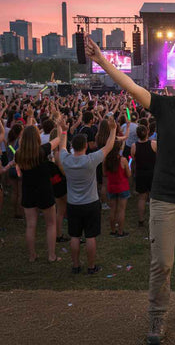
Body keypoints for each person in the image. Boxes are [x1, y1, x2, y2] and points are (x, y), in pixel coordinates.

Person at [85, 38, 175, 345]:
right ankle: (157, 318)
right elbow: (130, 86)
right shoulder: (163, 105)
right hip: (165, 197)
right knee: (163, 262)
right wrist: (104, 62)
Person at [59, 116, 116, 275]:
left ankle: (75, 266)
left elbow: (62, 147)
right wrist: (113, 129)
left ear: (73, 146)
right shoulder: (91, 159)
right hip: (90, 202)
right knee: (90, 236)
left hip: (73, 204)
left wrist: (63, 130)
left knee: (75, 236)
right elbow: (109, 146)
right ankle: (91, 267)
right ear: (85, 146)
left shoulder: (66, 159)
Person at [15, 119, 61, 263]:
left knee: (31, 225)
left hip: (28, 190)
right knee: (50, 224)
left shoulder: (18, 154)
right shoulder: (42, 150)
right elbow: (58, 139)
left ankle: (32, 255)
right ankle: (51, 255)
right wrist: (61, 126)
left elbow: (20, 173)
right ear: (37, 137)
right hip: (44, 190)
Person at [104, 140, 131, 238]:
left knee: (113, 209)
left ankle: (113, 230)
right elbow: (128, 174)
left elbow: (104, 173)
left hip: (111, 186)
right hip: (122, 186)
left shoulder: (106, 160)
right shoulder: (123, 160)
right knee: (121, 210)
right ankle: (120, 231)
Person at [130, 124, 156, 228]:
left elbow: (134, 158)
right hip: (153, 172)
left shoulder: (134, 146)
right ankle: (155, 218)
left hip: (141, 173)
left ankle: (141, 220)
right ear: (148, 132)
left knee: (141, 198)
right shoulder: (154, 144)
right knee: (154, 198)